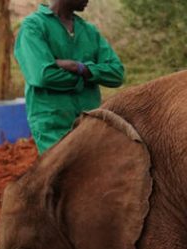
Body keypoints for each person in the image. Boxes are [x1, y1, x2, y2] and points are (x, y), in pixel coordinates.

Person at [14, 0, 124, 154]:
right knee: (61, 174)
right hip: (53, 126)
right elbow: (43, 75)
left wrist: (79, 67)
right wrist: (87, 77)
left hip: (91, 123)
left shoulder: (89, 31)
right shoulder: (33, 26)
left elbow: (117, 73)